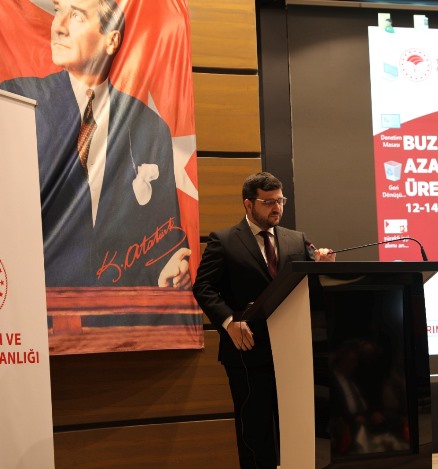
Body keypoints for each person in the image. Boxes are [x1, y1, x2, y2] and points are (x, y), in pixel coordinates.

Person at [0, 0, 190, 288]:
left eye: (76, 16)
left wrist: (170, 266)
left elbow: (165, 232)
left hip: (123, 305)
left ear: (111, 40)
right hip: (37, 300)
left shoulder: (151, 127)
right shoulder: (18, 101)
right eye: (58, 11)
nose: (58, 26)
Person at [193, 172, 336, 469]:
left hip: (293, 351)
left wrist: (323, 265)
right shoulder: (224, 241)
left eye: (280, 201)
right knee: (255, 432)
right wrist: (229, 321)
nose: (277, 208)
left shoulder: (297, 240)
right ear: (249, 204)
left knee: (294, 430)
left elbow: (309, 287)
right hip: (247, 350)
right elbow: (203, 287)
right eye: (268, 202)